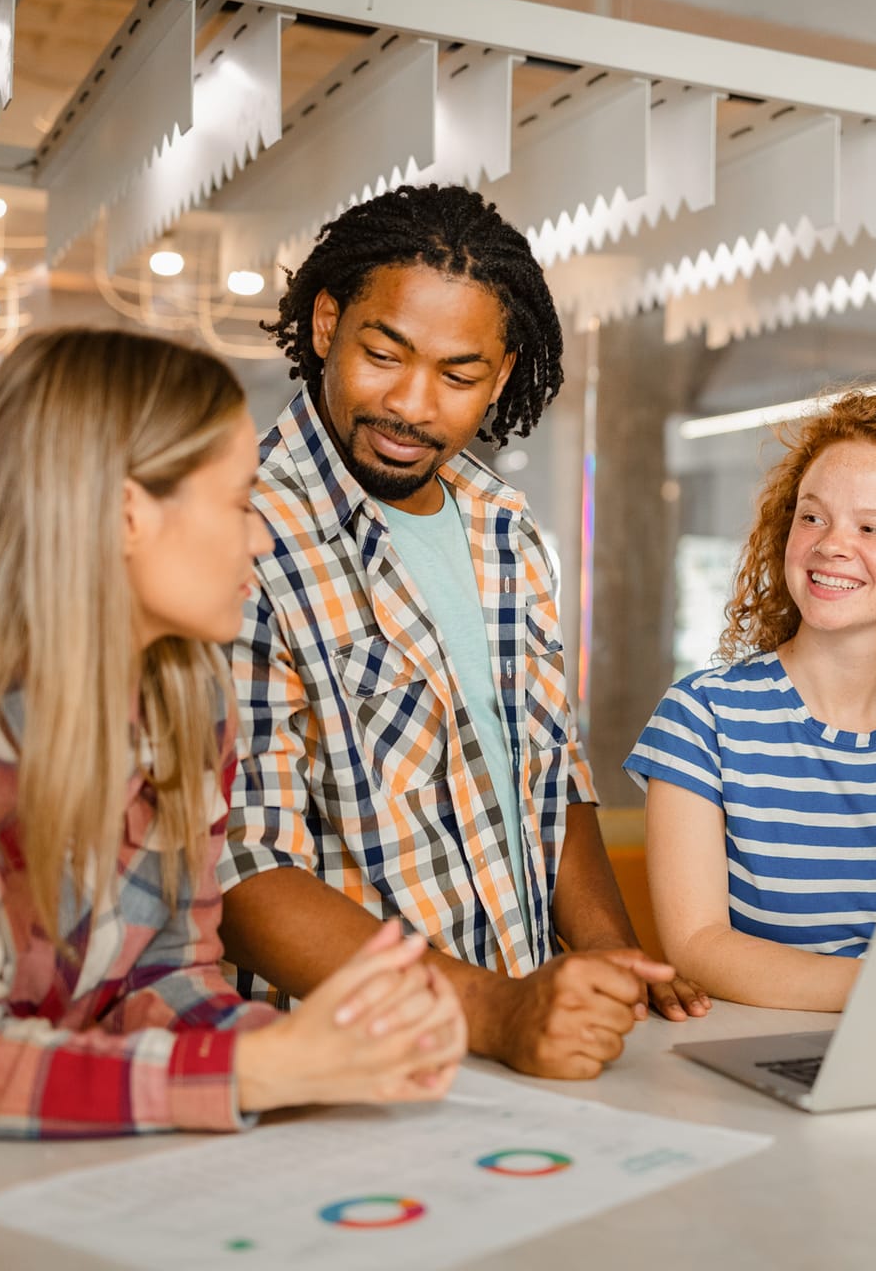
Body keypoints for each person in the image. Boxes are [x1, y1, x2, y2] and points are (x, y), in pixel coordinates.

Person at [0, 328, 465, 1267]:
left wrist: (329, 1050)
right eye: (243, 500)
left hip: (49, 1137)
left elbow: (163, 976)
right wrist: (261, 1067)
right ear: (129, 514)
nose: (263, 534)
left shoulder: (186, 691)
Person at [220, 183, 705, 1082]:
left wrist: (609, 962)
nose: (411, 404)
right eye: (384, 354)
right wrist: (493, 1012)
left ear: (504, 373)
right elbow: (244, 873)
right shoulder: (239, 534)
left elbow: (548, 777)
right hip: (349, 1064)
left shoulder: (502, 529)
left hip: (524, 1044)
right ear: (326, 324)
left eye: (458, 374)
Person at [626, 390, 876, 1011]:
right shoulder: (703, 717)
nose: (830, 545)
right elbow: (698, 945)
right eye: (812, 516)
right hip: (763, 1059)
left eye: (871, 527)